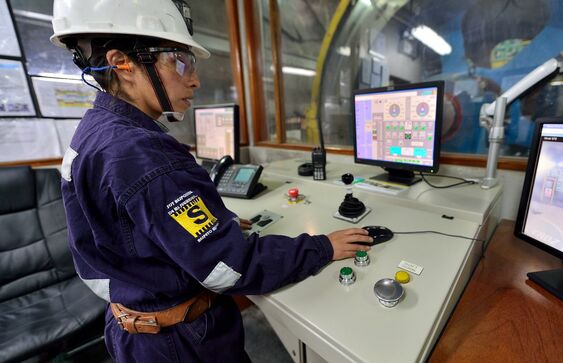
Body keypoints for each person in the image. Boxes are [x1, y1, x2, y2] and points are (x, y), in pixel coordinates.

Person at [50, 1, 372, 362]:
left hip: (131, 328)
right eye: (179, 61)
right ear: (122, 63)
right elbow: (228, 267)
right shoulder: (144, 154)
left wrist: (219, 226)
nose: (195, 79)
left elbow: (111, 245)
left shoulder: (92, 132)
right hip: (180, 342)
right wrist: (322, 247)